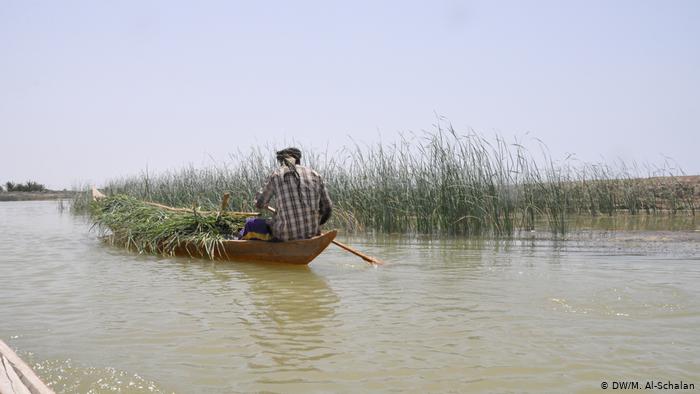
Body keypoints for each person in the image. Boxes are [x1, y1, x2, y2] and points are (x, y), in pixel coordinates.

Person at [255, 147, 333, 241]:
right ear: (298, 160)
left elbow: (259, 203)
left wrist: (262, 204)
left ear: (283, 161)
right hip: (311, 235)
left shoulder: (276, 175)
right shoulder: (315, 175)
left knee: (251, 224)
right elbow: (328, 208)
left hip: (284, 236)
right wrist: (317, 225)